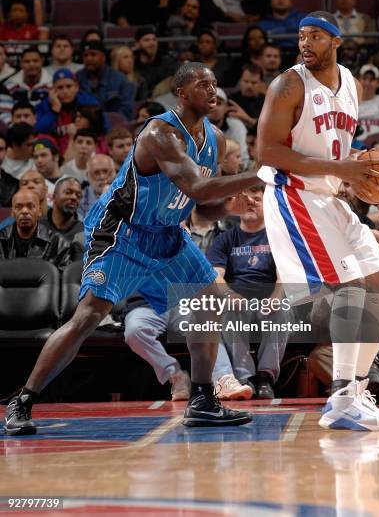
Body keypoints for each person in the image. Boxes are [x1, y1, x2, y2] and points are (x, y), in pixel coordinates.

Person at [3, 61, 260, 435]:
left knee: (210, 300)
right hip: (122, 231)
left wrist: (231, 206)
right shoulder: (159, 132)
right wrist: (260, 173)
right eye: (203, 84)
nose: (212, 90)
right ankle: (22, 400)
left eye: (215, 84)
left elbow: (204, 208)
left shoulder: (216, 140)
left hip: (167, 232)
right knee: (88, 316)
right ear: (182, 93)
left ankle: (203, 399)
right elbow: (199, 188)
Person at [257, 10, 379, 431]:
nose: (306, 44)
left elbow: (336, 141)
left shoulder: (351, 84)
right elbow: (266, 151)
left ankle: (357, 390)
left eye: (316, 36)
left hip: (329, 196)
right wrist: (342, 171)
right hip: (293, 194)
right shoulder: (287, 84)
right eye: (302, 36)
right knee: (349, 287)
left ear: (336, 41)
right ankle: (340, 396)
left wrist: (356, 160)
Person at [207, 184, 289, 398]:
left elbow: (283, 275)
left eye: (257, 199)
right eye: (246, 199)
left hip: (268, 298)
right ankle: (247, 378)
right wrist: (228, 295)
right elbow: (216, 275)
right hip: (239, 299)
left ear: (268, 205)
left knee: (282, 308)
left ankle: (266, 376)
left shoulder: (277, 236)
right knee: (228, 308)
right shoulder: (224, 239)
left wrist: (276, 297)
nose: (251, 203)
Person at [0, 189, 74, 270]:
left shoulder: (59, 244)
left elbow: (62, 279)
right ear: (12, 212)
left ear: (39, 211)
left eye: (30, 206)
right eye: (18, 207)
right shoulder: (1, 239)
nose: (24, 211)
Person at [77, 40, 135, 120]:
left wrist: (104, 121)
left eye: (93, 54)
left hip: (114, 126)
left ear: (103, 57)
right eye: (85, 55)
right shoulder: (77, 78)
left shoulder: (120, 80)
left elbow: (127, 111)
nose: (89, 58)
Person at [42, 176, 84, 242]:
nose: (74, 197)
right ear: (54, 197)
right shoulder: (39, 226)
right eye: (68, 192)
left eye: (78, 195)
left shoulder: (83, 232)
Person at [78, 153, 116, 219]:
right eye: (96, 173)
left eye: (105, 171)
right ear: (87, 175)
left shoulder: (126, 194)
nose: (102, 177)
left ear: (114, 172)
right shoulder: (79, 198)